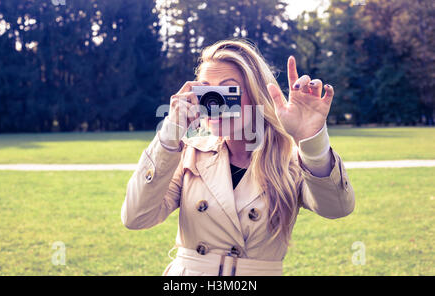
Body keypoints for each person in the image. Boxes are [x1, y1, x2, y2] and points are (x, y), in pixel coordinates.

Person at [121, 39, 355, 276]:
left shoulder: (292, 161)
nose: (214, 102)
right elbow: (135, 217)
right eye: (206, 91)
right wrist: (170, 134)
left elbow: (336, 208)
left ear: (256, 97)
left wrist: (312, 141)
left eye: (227, 91)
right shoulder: (188, 154)